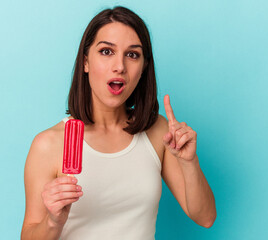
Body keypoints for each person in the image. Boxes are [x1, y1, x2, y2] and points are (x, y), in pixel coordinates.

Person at [21, 6, 216, 240]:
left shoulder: (158, 132)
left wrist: (189, 162)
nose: (120, 66)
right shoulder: (48, 144)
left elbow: (205, 218)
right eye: (106, 51)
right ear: (85, 62)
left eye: (132, 54)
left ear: (143, 68)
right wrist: (53, 222)